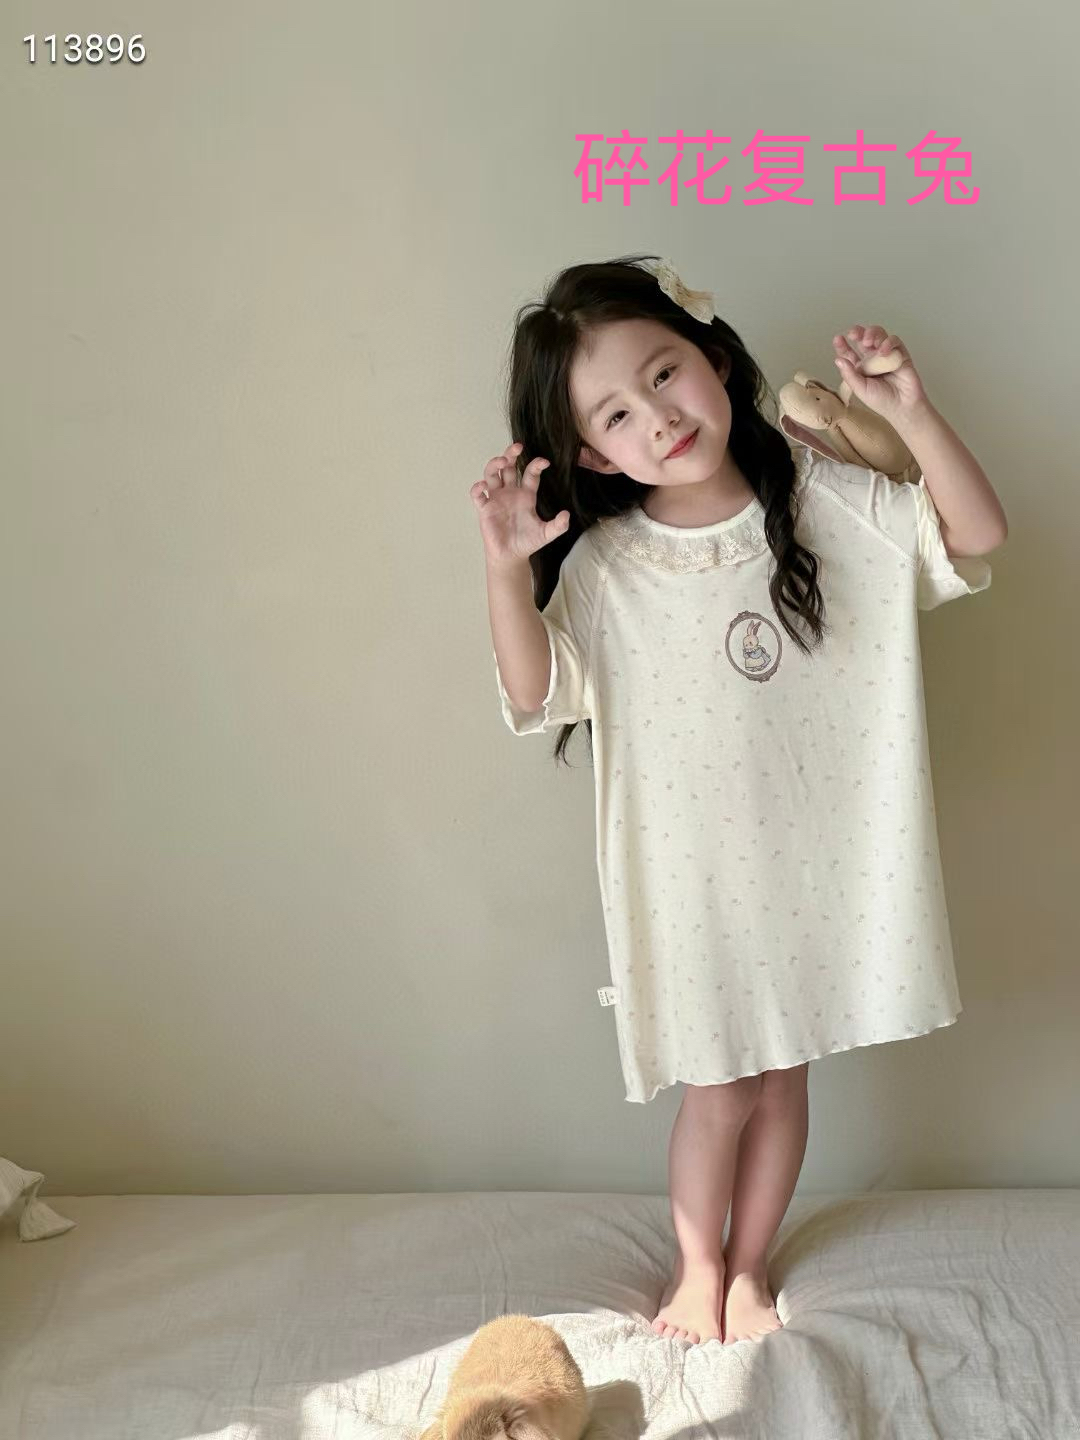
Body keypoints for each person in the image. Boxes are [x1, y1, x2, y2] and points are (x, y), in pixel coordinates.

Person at [469, 254, 1008, 1347]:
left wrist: (912, 411)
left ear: (713, 359)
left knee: (785, 1076)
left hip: (813, 870)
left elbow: (975, 535)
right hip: (694, 887)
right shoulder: (608, 568)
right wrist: (503, 571)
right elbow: (532, 694)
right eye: (618, 415)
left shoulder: (826, 500)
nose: (658, 417)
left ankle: (752, 1266)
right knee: (719, 1090)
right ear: (591, 455)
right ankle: (697, 1268)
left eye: (664, 374)